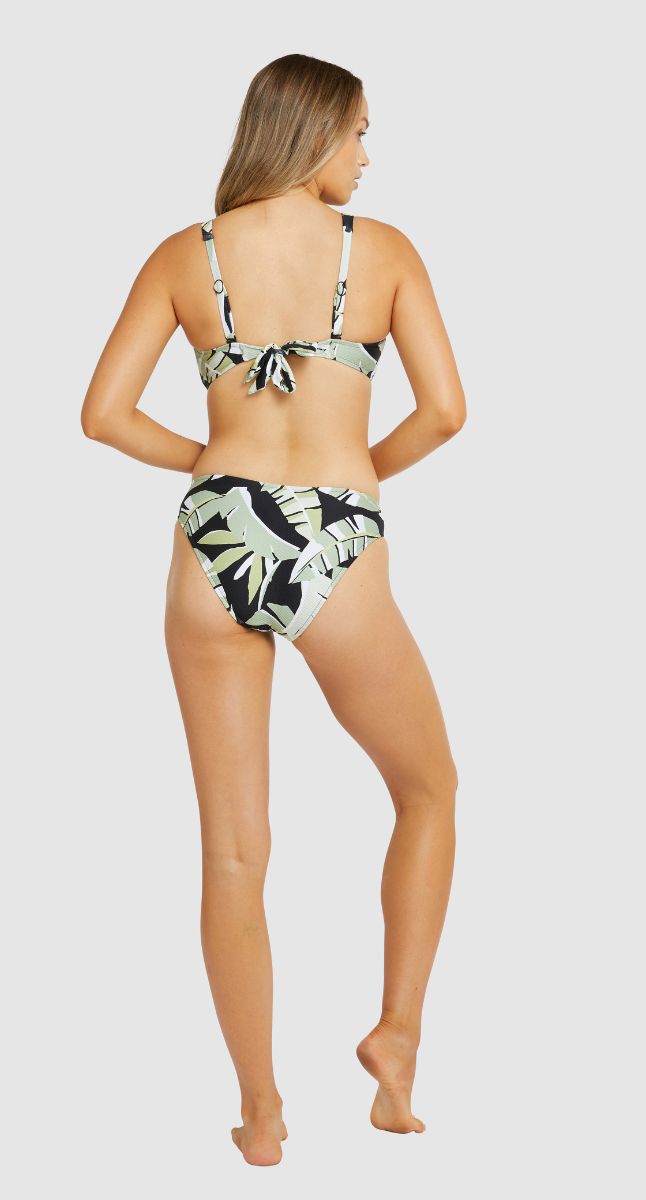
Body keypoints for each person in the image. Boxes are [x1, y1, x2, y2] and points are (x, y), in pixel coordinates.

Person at [81, 52, 466, 1168]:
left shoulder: (186, 254)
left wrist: (217, 466)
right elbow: (445, 411)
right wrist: (355, 481)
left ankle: (259, 1112)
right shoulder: (380, 252)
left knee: (234, 852)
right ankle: (396, 1039)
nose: (367, 154)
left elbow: (103, 414)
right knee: (429, 789)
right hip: (333, 535)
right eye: (359, 132)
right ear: (315, 133)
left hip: (212, 540)